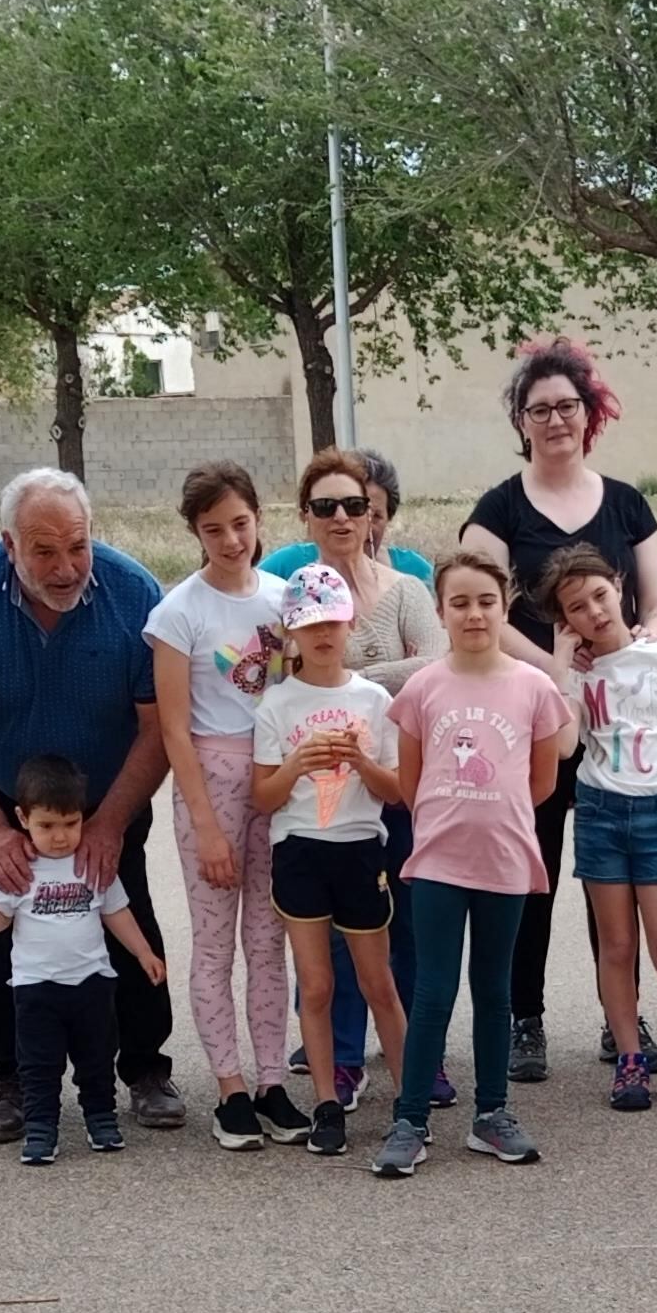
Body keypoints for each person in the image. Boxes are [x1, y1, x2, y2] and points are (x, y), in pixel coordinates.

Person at [0, 467, 180, 1143]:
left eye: (77, 546)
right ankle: (9, 1078)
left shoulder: (134, 593)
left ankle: (145, 1067)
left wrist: (113, 821)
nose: (65, 568)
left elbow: (157, 727)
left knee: (124, 906)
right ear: (9, 545)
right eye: (43, 550)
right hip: (9, 795)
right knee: (2, 920)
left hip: (111, 782)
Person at [458, 338, 657, 1084]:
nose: (555, 420)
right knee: (536, 867)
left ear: (590, 416)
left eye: (567, 407)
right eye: (539, 409)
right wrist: (552, 668)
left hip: (620, 721)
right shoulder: (497, 509)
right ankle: (526, 1017)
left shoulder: (625, 503)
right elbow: (480, 606)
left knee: (619, 873)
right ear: (521, 421)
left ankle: (625, 1021)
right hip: (532, 717)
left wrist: (641, 648)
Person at [374, 553, 573, 1179]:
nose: (474, 613)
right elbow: (409, 781)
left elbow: (542, 781)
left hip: (507, 862)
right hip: (437, 862)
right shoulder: (423, 688)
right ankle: (410, 1120)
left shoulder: (534, 687)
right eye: (459, 603)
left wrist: (495, 812)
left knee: (494, 991)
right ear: (440, 612)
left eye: (485, 600)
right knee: (433, 991)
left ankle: (492, 1113)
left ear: (504, 604)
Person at [275, 446, 441, 1109]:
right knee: (328, 939)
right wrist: (324, 692)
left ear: (373, 514)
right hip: (316, 800)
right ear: (306, 517)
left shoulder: (405, 589)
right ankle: (340, 1058)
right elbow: (265, 670)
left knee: (401, 925)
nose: (341, 517)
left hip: (394, 776)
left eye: (354, 505)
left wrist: (344, 686)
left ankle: (416, 1055)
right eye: (325, 507)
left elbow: (433, 661)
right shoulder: (286, 585)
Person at [145, 462, 299, 1151]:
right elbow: (173, 728)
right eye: (214, 530)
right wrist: (206, 823)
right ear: (194, 533)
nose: (231, 540)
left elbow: (298, 685)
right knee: (215, 943)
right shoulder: (179, 612)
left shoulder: (281, 597)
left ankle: (272, 1079)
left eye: (240, 524)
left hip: (274, 775)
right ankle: (230, 1086)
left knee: (270, 939)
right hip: (211, 777)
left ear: (257, 518)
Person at [539, 547, 657, 1116]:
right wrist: (562, 662)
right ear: (566, 620)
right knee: (616, 946)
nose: (594, 611)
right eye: (577, 608)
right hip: (599, 812)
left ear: (619, 587)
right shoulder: (578, 675)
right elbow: (565, 742)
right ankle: (630, 1059)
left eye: (599, 595)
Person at [251, 563, 411, 1155]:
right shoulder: (277, 704)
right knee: (315, 985)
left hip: (360, 848)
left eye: (333, 622)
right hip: (299, 851)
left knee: (378, 982)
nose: (322, 634)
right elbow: (262, 797)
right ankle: (326, 1102)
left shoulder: (372, 699)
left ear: (351, 624)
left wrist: (361, 763)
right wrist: (297, 764)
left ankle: (408, 1098)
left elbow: (394, 791)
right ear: (291, 632)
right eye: (309, 623)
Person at [0, 754, 165, 1166]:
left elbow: (116, 912)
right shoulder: (20, 869)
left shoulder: (92, 863)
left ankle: (101, 1119)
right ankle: (40, 1128)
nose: (59, 836)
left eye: (71, 824)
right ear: (22, 817)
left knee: (97, 1059)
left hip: (92, 982)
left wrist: (144, 953)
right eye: (47, 826)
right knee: (38, 1065)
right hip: (36, 988)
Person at [263, 446, 435, 584]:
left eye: (375, 515)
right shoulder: (284, 567)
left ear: (389, 518)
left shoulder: (416, 575)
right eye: (328, 507)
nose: (348, 518)